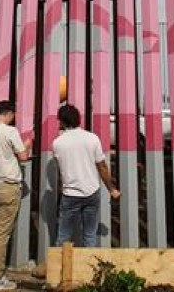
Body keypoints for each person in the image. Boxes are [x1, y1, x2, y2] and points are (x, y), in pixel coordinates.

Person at [0, 100, 32, 291]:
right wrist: (27, 144)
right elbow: (23, 157)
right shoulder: (11, 132)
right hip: (8, 185)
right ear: (9, 113)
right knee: (2, 233)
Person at [53, 104, 120, 247]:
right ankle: (89, 268)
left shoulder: (58, 143)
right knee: (90, 236)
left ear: (62, 121)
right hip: (92, 192)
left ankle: (60, 267)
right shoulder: (92, 138)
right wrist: (112, 189)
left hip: (70, 193)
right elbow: (102, 167)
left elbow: (61, 167)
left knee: (63, 236)